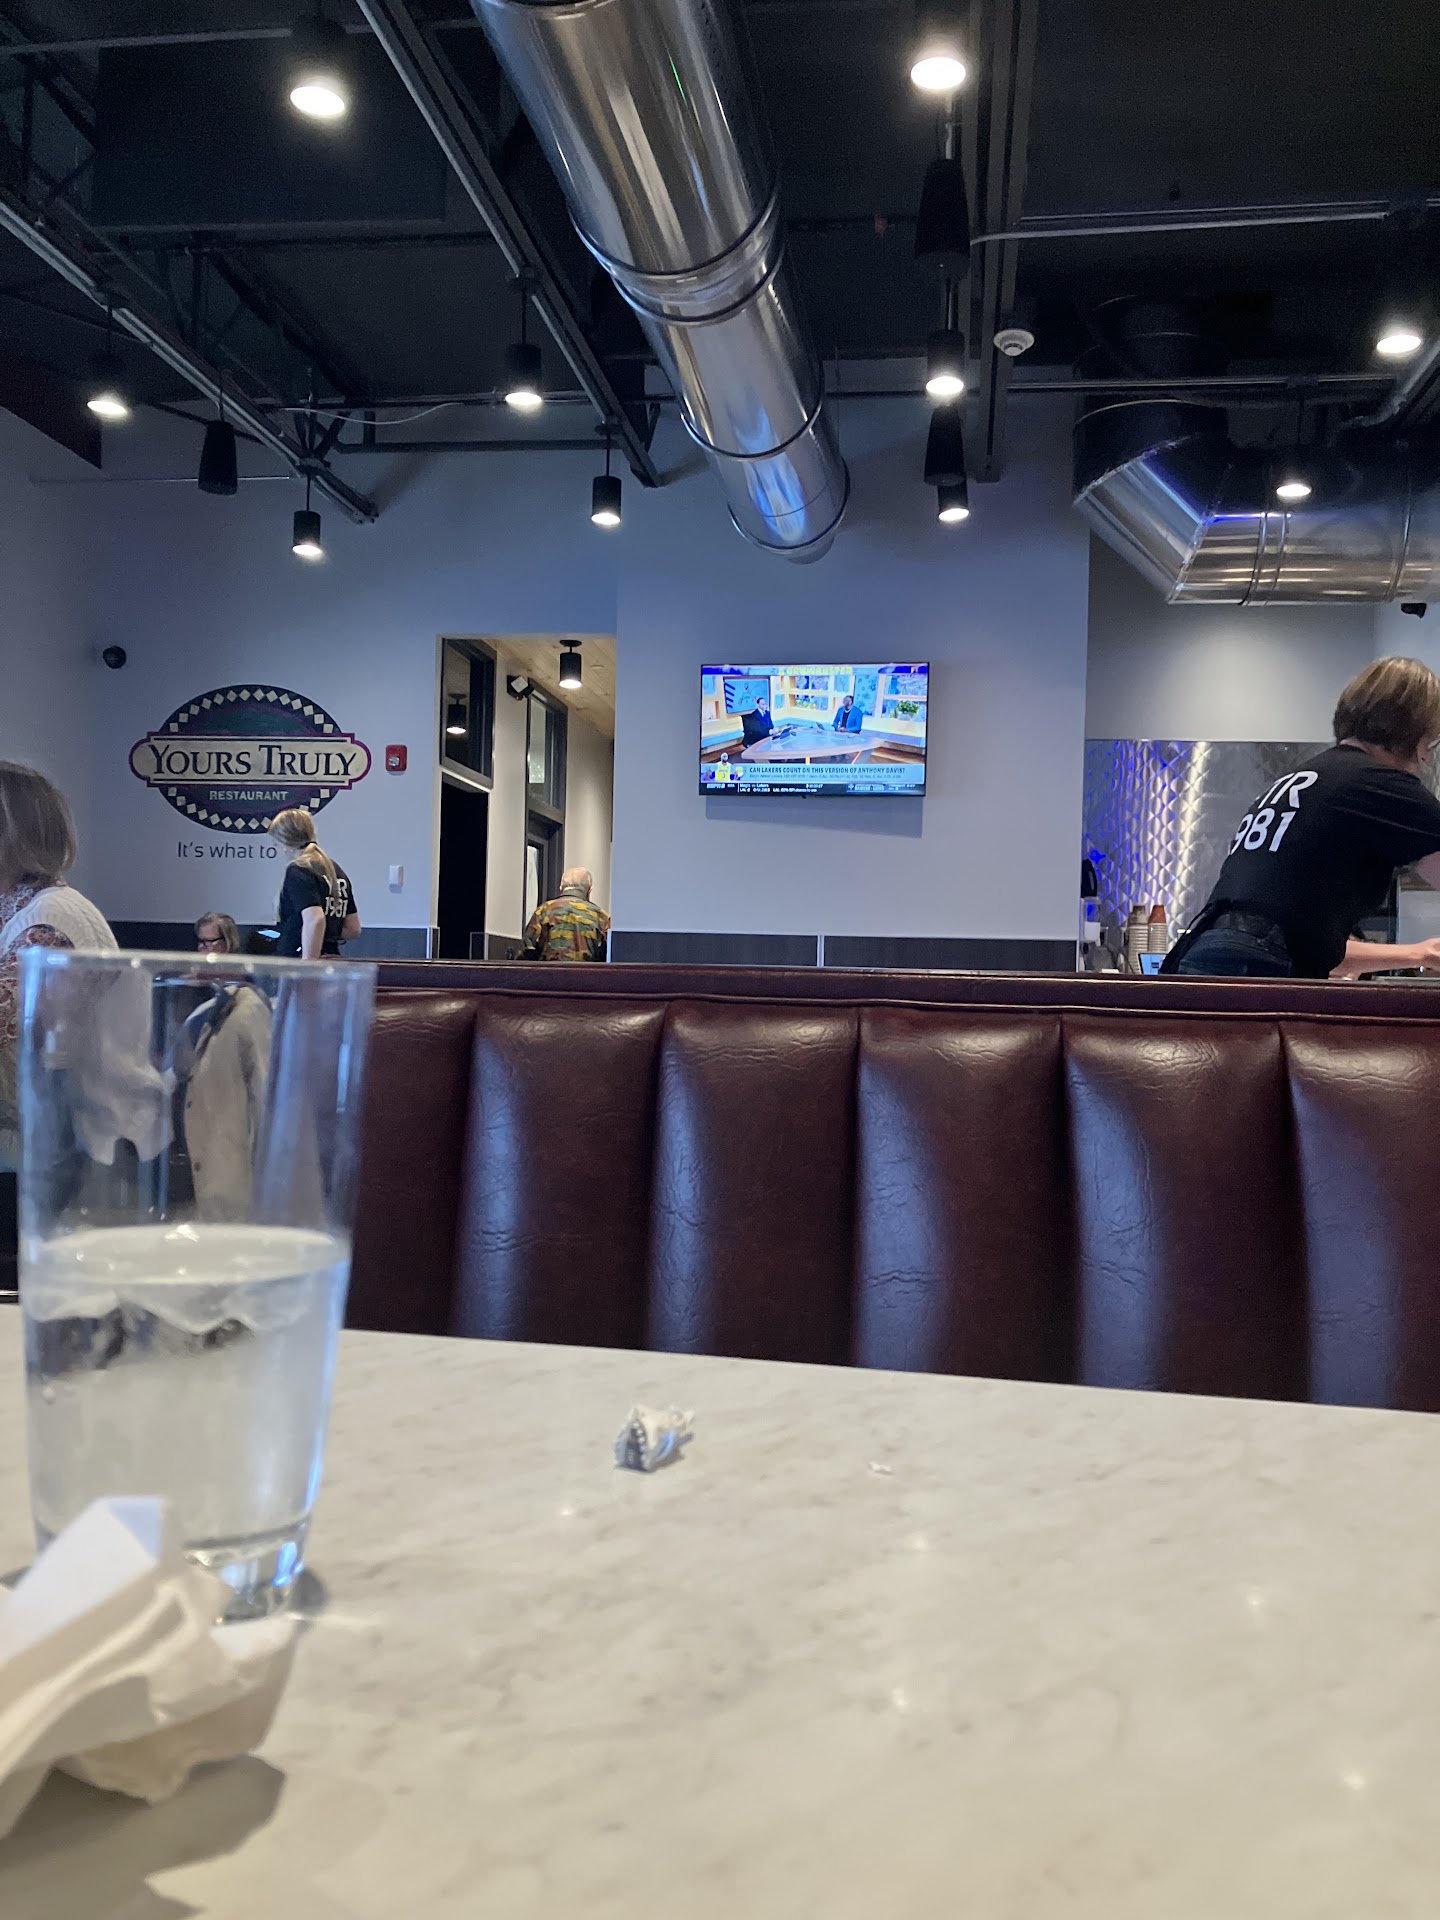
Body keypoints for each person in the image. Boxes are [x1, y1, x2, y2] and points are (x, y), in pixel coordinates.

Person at [1167, 657, 1440, 980]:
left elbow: (1315, 947)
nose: (1426, 759)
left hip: (1206, 952)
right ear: (1413, 731)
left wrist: (1422, 953)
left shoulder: (1305, 780)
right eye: (1431, 742)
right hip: (1254, 961)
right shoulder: (1380, 783)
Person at [268, 808, 360, 959]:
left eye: (275, 844)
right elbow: (353, 928)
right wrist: (327, 932)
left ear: (284, 844)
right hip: (331, 957)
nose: (277, 851)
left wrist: (309, 964)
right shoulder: (335, 871)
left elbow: (315, 919)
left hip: (297, 959)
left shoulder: (299, 870)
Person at [522, 867, 610, 962]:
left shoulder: (544, 910)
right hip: (587, 971)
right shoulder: (601, 916)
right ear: (589, 891)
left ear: (561, 888)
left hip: (550, 970)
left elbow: (528, 948)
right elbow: (610, 953)